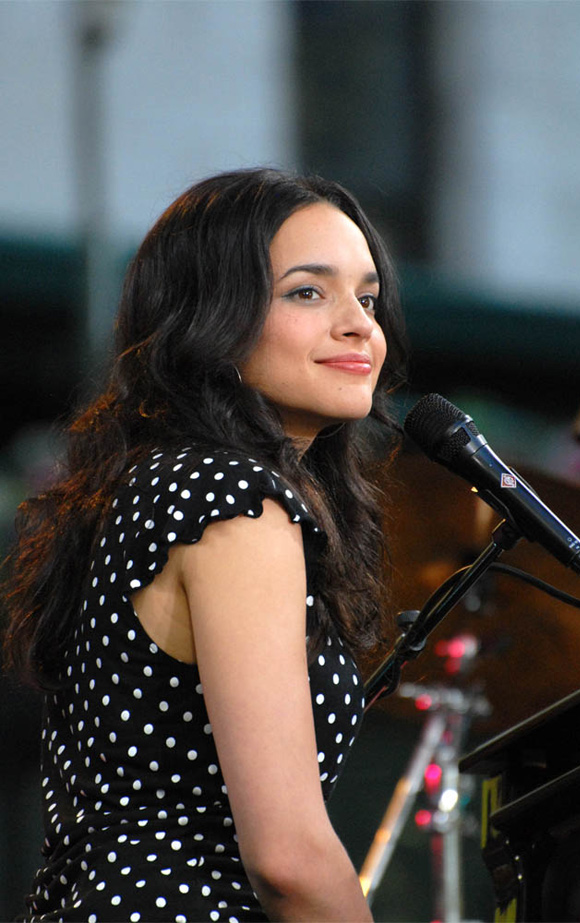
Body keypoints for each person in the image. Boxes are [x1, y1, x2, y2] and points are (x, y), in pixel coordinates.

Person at [2, 167, 407, 922]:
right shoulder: (234, 502)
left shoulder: (151, 484)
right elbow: (289, 858)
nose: (359, 325)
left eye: (368, 298)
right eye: (307, 292)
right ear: (211, 318)